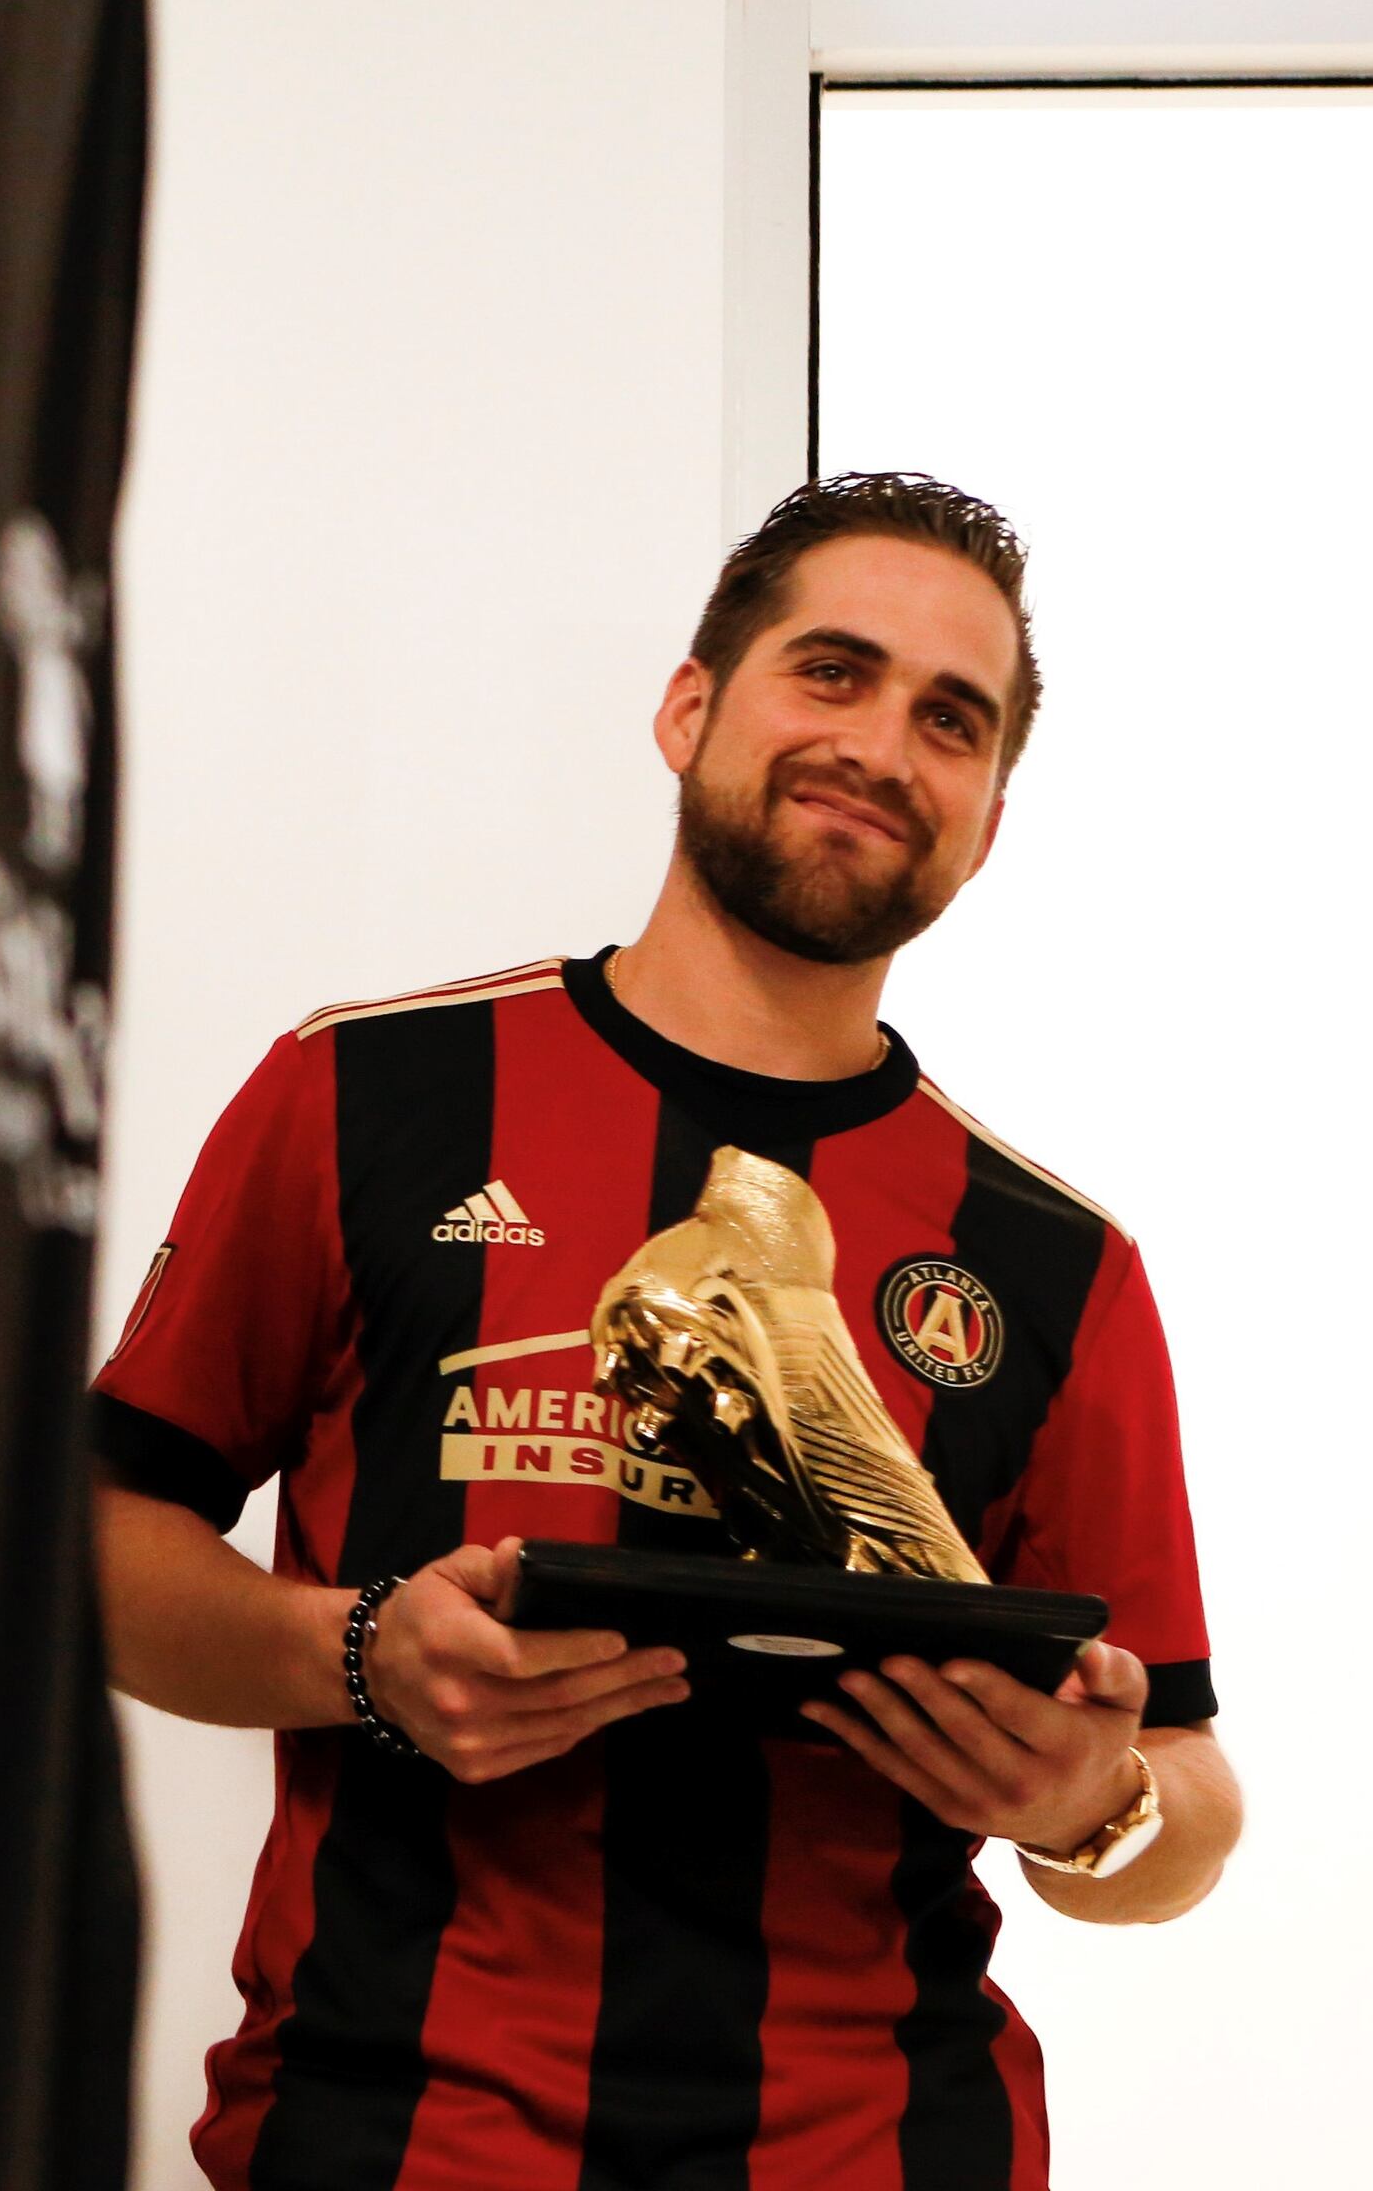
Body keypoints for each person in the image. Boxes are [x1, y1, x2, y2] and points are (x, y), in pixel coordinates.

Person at [91, 474, 1239, 2191]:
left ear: (987, 816)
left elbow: (1186, 1789)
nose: (880, 745)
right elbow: (98, 1543)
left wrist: (1089, 1807)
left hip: (891, 2152)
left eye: (950, 718)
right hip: (393, 2137)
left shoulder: (1056, 1261)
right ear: (690, 706)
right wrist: (358, 1658)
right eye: (831, 672)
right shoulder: (370, 1093)